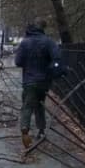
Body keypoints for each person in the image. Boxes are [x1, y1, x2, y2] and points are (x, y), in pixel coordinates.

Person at [14, 18, 61, 149]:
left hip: (29, 81)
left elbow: (18, 62)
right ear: (42, 28)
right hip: (44, 80)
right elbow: (57, 58)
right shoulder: (49, 42)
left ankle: (25, 128)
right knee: (40, 105)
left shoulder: (25, 43)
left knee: (27, 105)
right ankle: (41, 130)